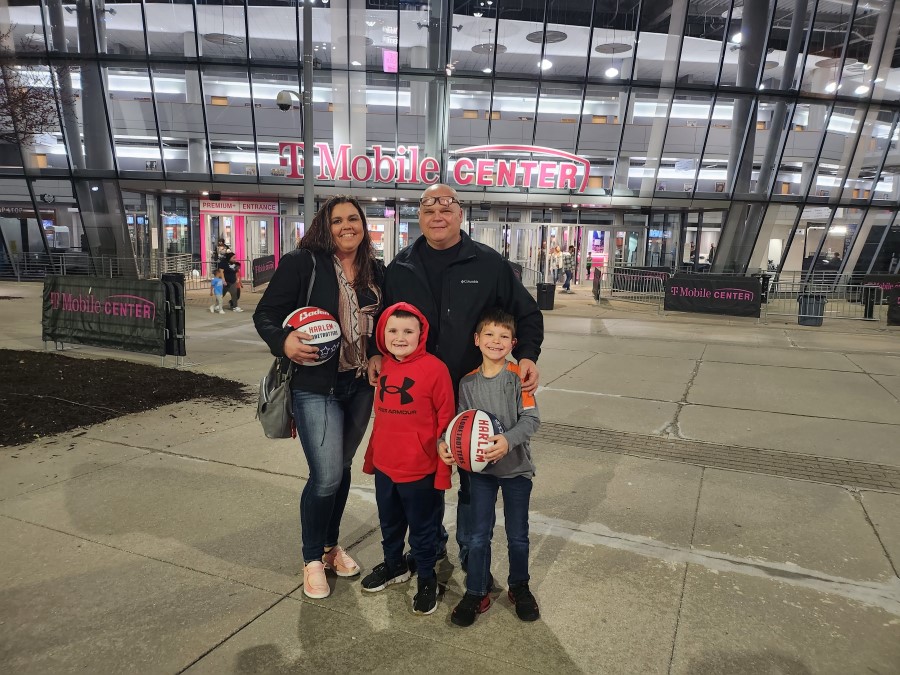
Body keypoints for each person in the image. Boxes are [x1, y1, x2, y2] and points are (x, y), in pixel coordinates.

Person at [368, 183, 543, 573]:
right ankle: (431, 545)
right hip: (417, 396)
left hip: (471, 393)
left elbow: (527, 314)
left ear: (460, 215)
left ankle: (469, 550)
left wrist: (527, 354)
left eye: (446, 208)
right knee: (424, 474)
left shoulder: (488, 264)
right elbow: (384, 322)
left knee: (470, 473)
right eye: (429, 209)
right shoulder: (401, 267)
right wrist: (376, 352)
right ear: (420, 217)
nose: (438, 216)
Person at [254, 195, 385, 599]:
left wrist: (379, 351)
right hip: (316, 387)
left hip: (360, 385)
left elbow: (387, 318)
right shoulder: (302, 263)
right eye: (337, 220)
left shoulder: (375, 269)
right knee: (326, 475)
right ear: (323, 227)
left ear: (363, 225)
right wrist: (284, 342)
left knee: (341, 468)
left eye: (353, 219)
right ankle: (312, 557)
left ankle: (330, 548)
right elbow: (265, 315)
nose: (347, 226)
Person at [439, 308, 540, 626]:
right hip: (479, 474)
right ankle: (475, 592)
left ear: (513, 343)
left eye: (504, 336)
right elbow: (459, 423)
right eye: (490, 335)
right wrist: (445, 444)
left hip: (516, 470)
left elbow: (532, 420)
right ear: (477, 339)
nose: (496, 341)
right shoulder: (467, 383)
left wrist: (508, 441)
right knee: (479, 536)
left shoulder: (518, 378)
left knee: (517, 535)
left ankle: (519, 586)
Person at [360, 303, 456, 615]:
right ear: (382, 334)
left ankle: (427, 578)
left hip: (420, 470)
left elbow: (446, 423)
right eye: (393, 330)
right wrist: (373, 458)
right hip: (386, 468)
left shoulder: (435, 369)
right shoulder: (384, 365)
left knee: (423, 530)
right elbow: (382, 419)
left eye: (408, 331)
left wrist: (442, 473)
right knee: (388, 523)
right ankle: (394, 566)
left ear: (421, 334)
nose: (400, 337)